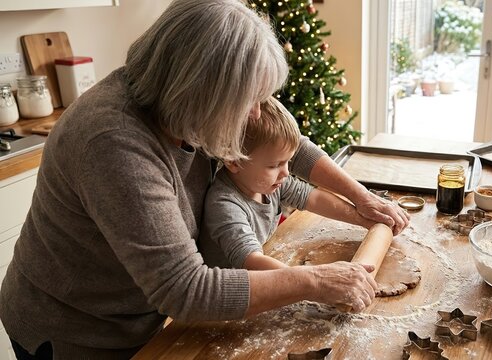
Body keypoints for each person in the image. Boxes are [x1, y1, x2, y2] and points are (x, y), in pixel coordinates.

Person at [0, 0, 409, 358]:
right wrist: (315, 281)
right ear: (203, 93)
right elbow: (186, 289)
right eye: (248, 102)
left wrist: (362, 197)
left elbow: (287, 143)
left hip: (140, 313)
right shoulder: (114, 144)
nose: (254, 114)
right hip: (79, 331)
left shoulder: (181, 97)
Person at [199, 97, 377, 270]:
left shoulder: (265, 183)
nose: (285, 172)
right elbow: (251, 260)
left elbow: (311, 198)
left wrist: (364, 219)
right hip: (233, 291)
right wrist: (314, 280)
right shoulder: (224, 205)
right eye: (274, 165)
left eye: (287, 162)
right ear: (233, 160)